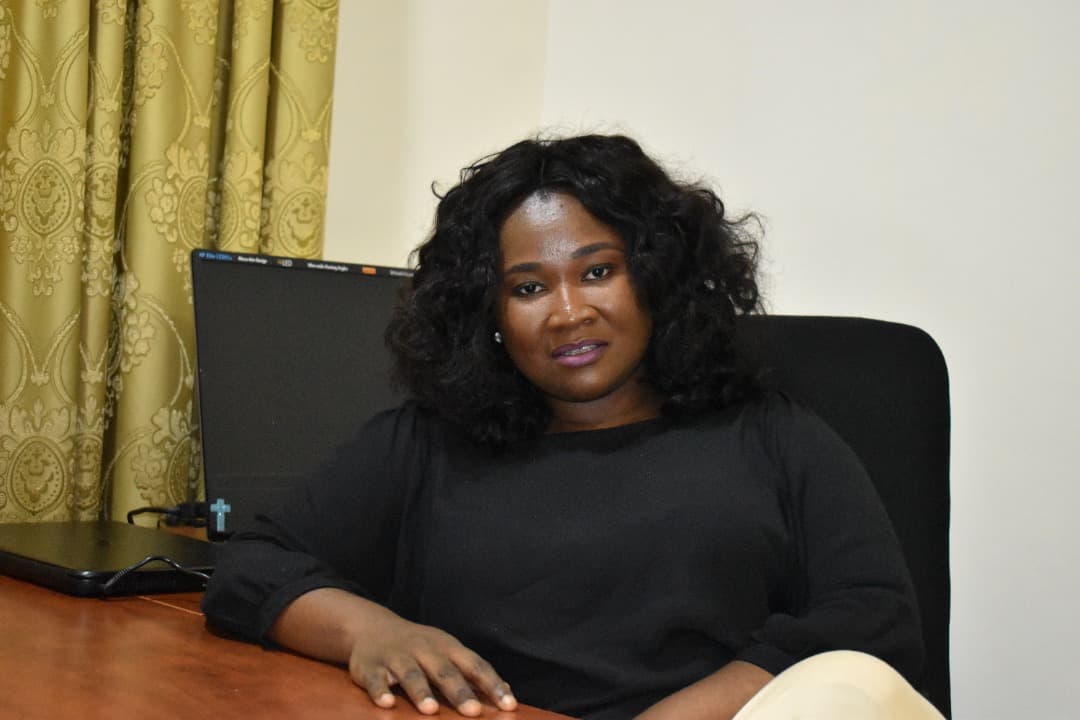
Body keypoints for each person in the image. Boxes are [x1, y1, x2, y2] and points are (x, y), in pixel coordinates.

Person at [202, 134, 939, 720]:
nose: (566, 311)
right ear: (488, 315)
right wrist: (371, 631)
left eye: (597, 271)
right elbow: (250, 566)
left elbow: (871, 620)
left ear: (654, 278)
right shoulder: (428, 442)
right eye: (527, 287)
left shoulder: (774, 435)